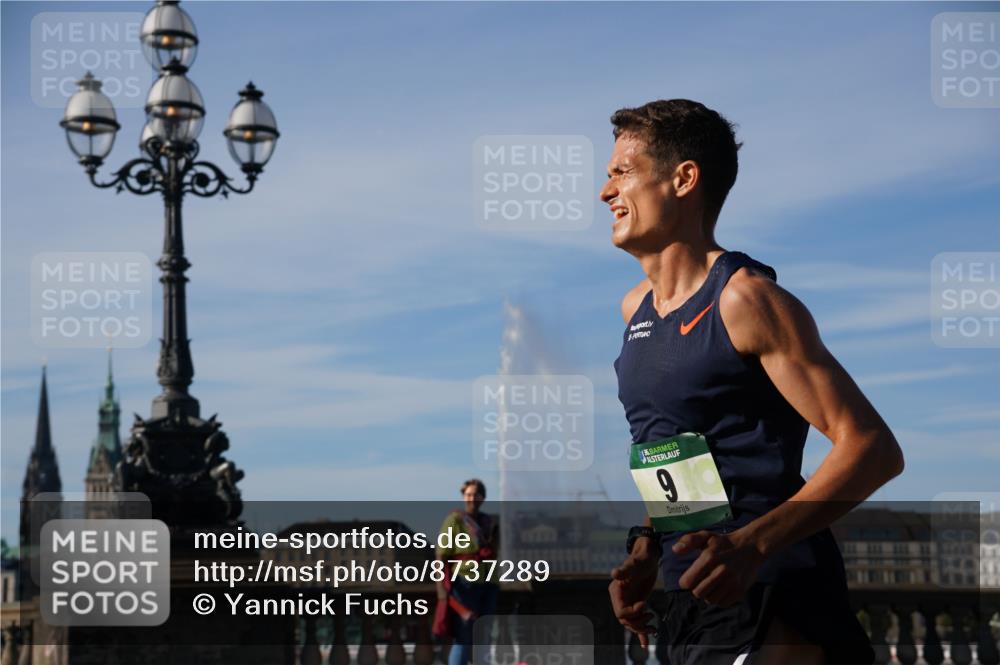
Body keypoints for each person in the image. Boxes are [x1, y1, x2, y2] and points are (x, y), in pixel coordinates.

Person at [603, 99, 904, 664]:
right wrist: (648, 546)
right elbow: (681, 448)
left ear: (683, 179)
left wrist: (752, 545)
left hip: (772, 592)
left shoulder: (744, 300)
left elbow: (873, 448)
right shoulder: (635, 311)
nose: (606, 192)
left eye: (622, 172)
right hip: (693, 591)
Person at [434, 478, 500, 665]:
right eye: (468, 494)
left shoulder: (488, 521)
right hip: (464, 583)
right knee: (463, 637)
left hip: (489, 583)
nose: (472, 498)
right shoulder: (454, 520)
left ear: (483, 497)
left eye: (476, 494)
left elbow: (494, 552)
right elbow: (441, 555)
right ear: (463, 497)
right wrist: (442, 589)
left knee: (484, 637)